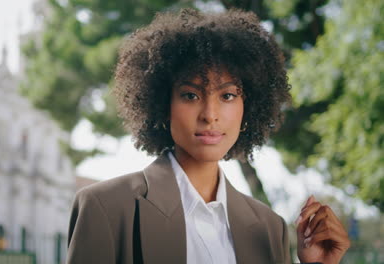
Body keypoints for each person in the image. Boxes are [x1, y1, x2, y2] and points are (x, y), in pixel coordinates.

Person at [66, 8, 350, 264]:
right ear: (164, 105)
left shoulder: (269, 227)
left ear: (247, 107)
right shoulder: (105, 208)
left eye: (227, 95)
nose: (210, 114)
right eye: (191, 95)